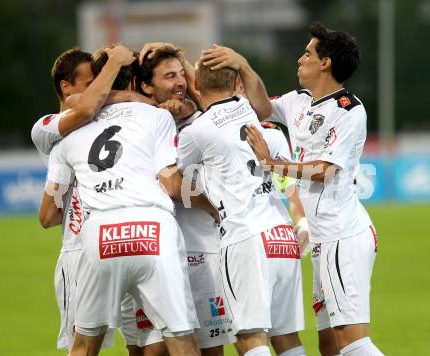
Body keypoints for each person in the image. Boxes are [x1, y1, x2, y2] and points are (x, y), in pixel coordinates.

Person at [205, 23, 383, 356]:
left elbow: (324, 171)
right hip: (321, 240)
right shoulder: (299, 101)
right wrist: (243, 66)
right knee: (329, 343)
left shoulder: (348, 109)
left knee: (352, 341)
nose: (299, 60)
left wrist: (271, 163)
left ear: (325, 62)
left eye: (307, 53)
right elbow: (261, 106)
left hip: (342, 235)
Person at [39, 45, 216, 356]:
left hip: (100, 236)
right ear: (136, 82)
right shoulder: (156, 116)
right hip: (152, 230)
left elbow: (48, 211)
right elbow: (172, 184)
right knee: (181, 338)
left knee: (83, 345)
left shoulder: (65, 132)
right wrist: (212, 208)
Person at [176, 57, 302, 356]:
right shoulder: (253, 110)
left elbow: (181, 172)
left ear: (195, 85)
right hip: (281, 234)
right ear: (236, 84)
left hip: (245, 236)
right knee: (287, 338)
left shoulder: (194, 132)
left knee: (249, 337)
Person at [32, 45, 139, 351]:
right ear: (66, 87)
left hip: (125, 239)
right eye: (90, 80)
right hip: (80, 251)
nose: (100, 86)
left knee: (146, 344)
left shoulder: (110, 118)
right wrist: (117, 62)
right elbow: (84, 109)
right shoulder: (47, 127)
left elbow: (49, 215)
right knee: (83, 347)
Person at [137, 44, 236, 356]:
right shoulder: (139, 128)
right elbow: (172, 186)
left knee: (210, 350)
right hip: (153, 252)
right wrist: (212, 205)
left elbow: (200, 90)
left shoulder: (204, 124)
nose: (180, 82)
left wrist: (177, 57)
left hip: (202, 251)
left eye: (182, 74)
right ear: (146, 87)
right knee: (150, 350)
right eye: (169, 76)